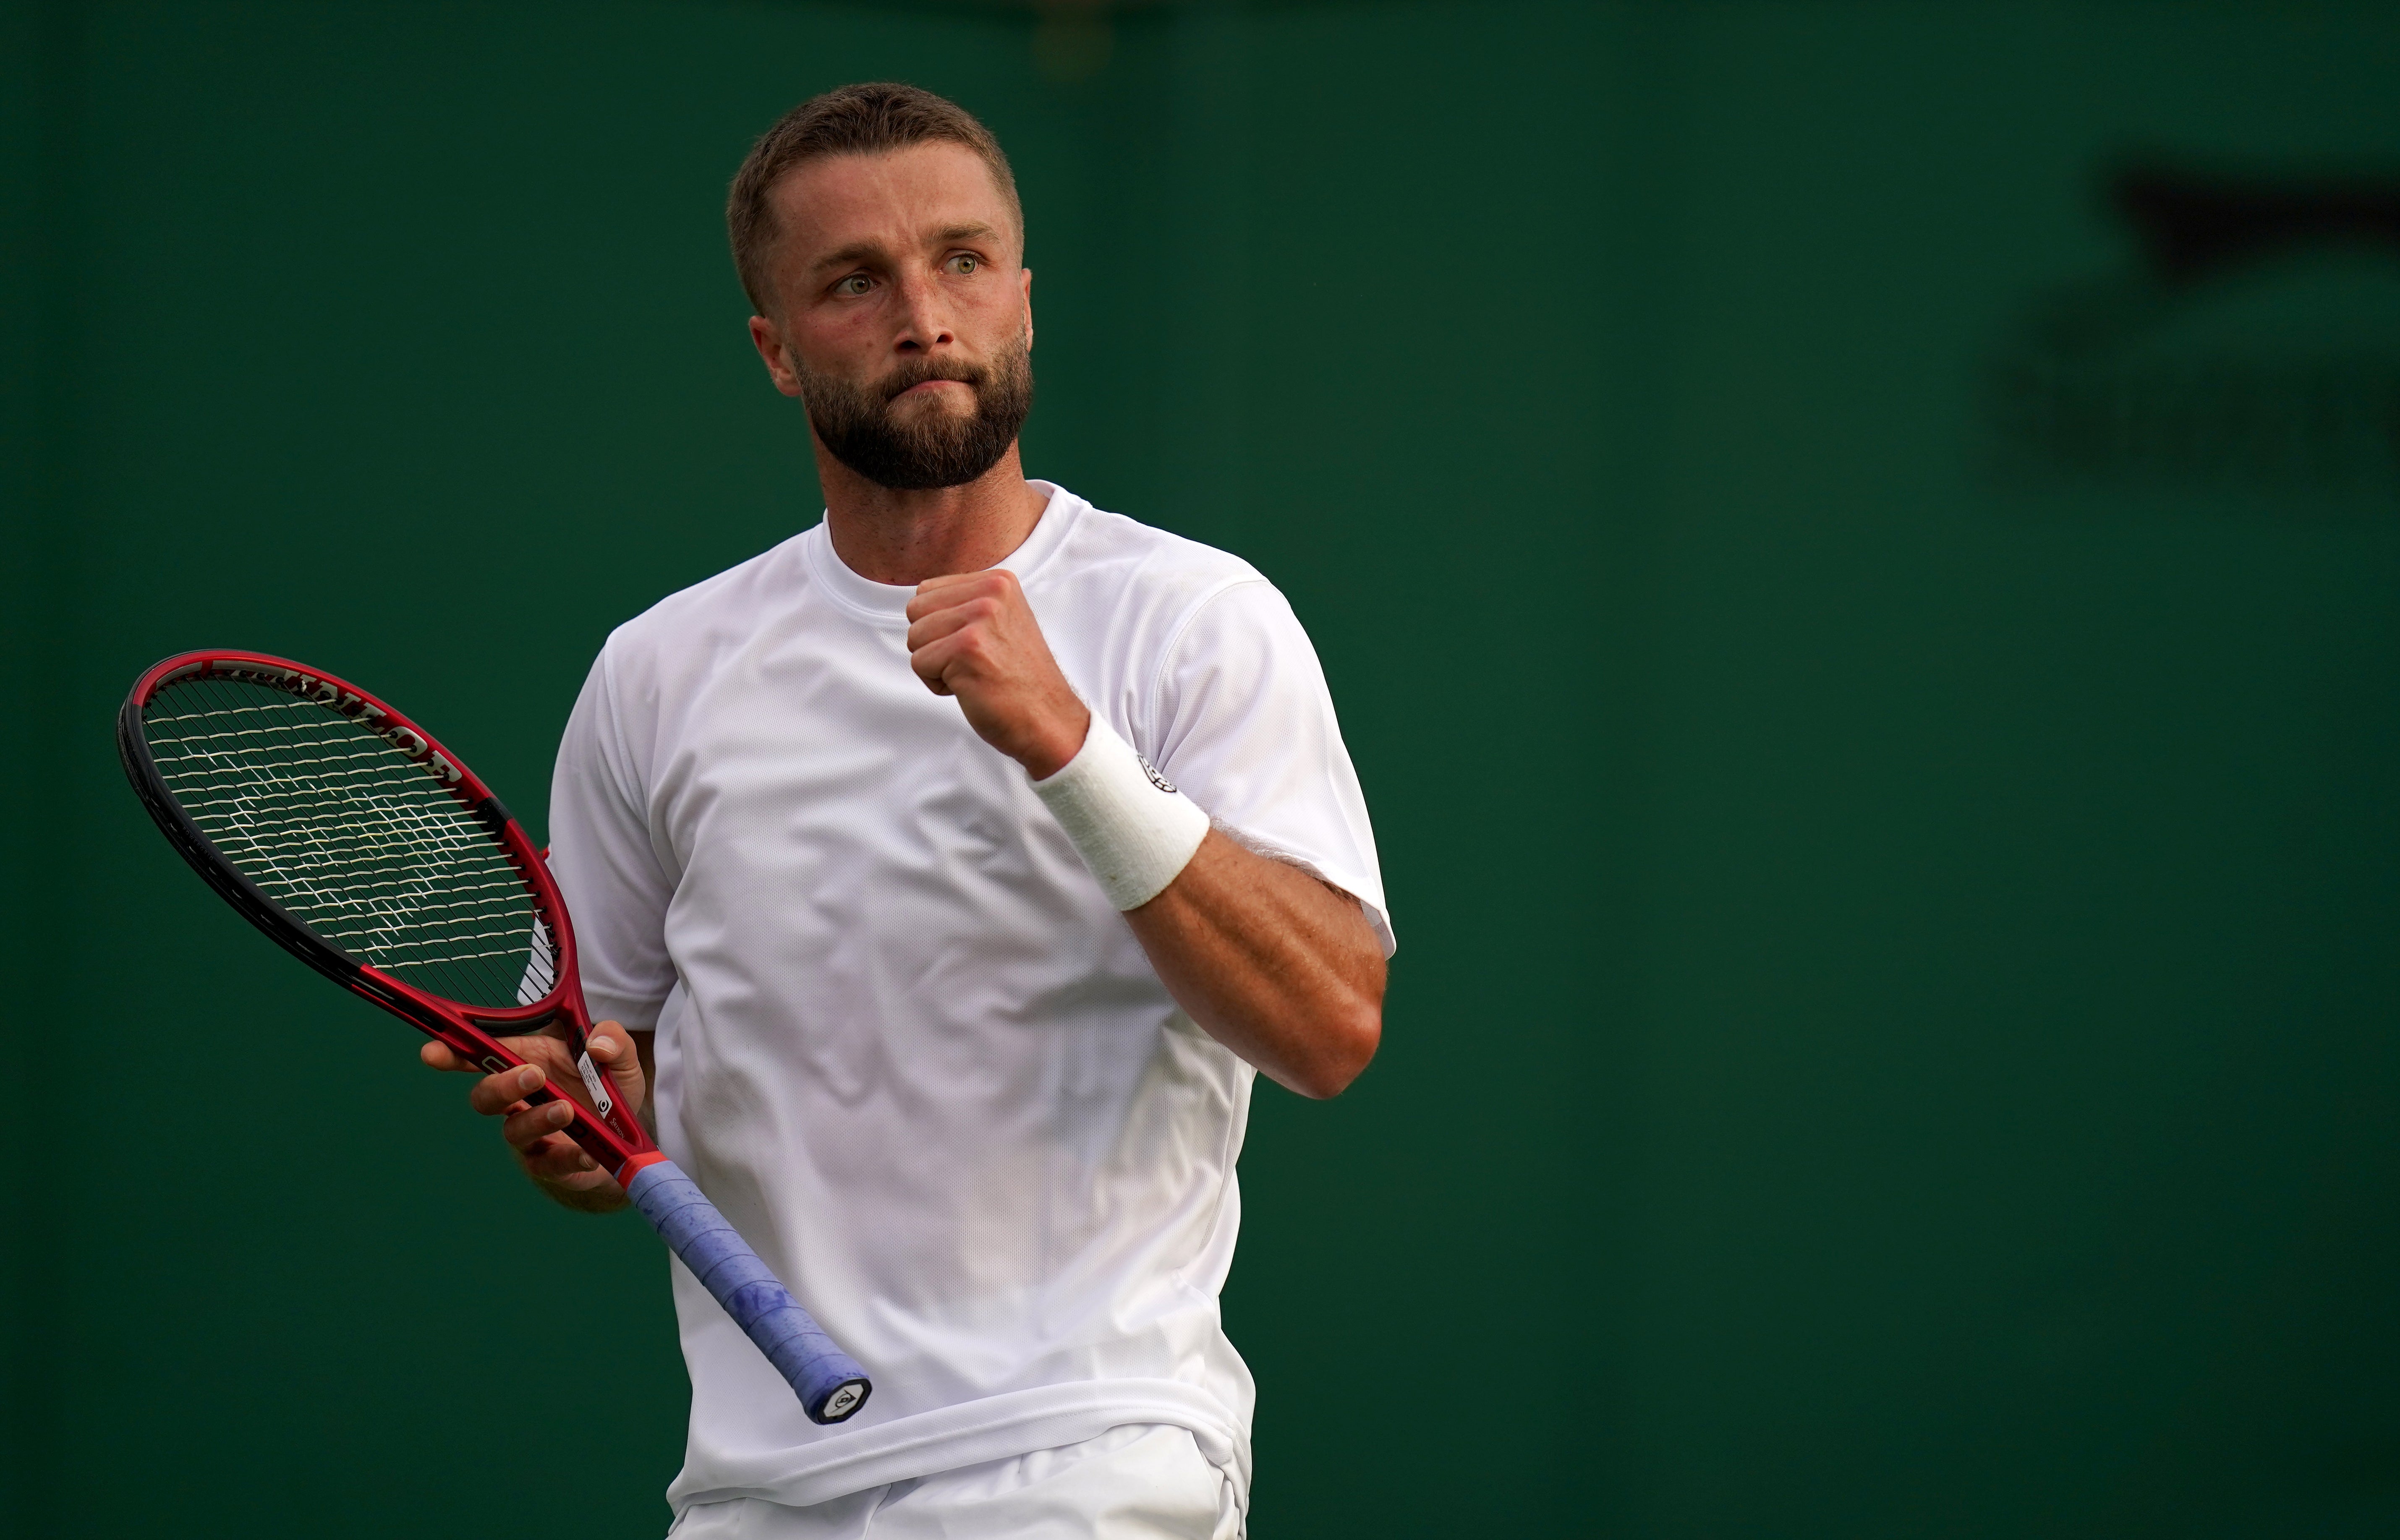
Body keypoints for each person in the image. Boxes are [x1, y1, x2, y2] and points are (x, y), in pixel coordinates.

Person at [422, 81, 1391, 1539]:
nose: (923, 315)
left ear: (1022, 300)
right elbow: (604, 1079)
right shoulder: (657, 673)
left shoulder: (1196, 620)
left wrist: (1069, 748)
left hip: (1090, 1459)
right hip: (757, 1488)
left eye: (962, 261)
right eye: (854, 281)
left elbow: (1330, 1029)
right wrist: (579, 1130)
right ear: (774, 350)